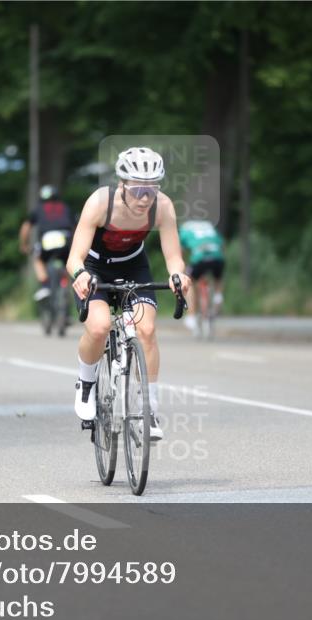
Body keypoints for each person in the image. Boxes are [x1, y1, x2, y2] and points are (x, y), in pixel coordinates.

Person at [66, 147, 191, 441]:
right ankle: (86, 384)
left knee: (146, 329)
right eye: (136, 190)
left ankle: (149, 408)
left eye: (151, 190)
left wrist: (177, 275)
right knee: (99, 327)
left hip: (134, 267)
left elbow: (174, 256)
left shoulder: (162, 207)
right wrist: (80, 275)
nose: (143, 198)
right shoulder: (99, 203)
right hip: (94, 268)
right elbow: (75, 257)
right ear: (121, 184)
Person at [20, 185, 76, 301]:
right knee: (69, 261)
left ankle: (45, 286)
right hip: (66, 239)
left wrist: (24, 245)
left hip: (47, 240)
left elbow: (26, 227)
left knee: (38, 259)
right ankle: (67, 285)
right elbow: (76, 227)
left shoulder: (38, 209)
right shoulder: (66, 208)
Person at [179, 219, 225, 333]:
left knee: (189, 281)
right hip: (217, 257)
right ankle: (218, 297)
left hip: (200, 257)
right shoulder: (209, 227)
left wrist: (183, 267)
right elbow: (222, 244)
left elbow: (180, 252)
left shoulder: (184, 229)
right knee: (218, 278)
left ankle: (191, 316)